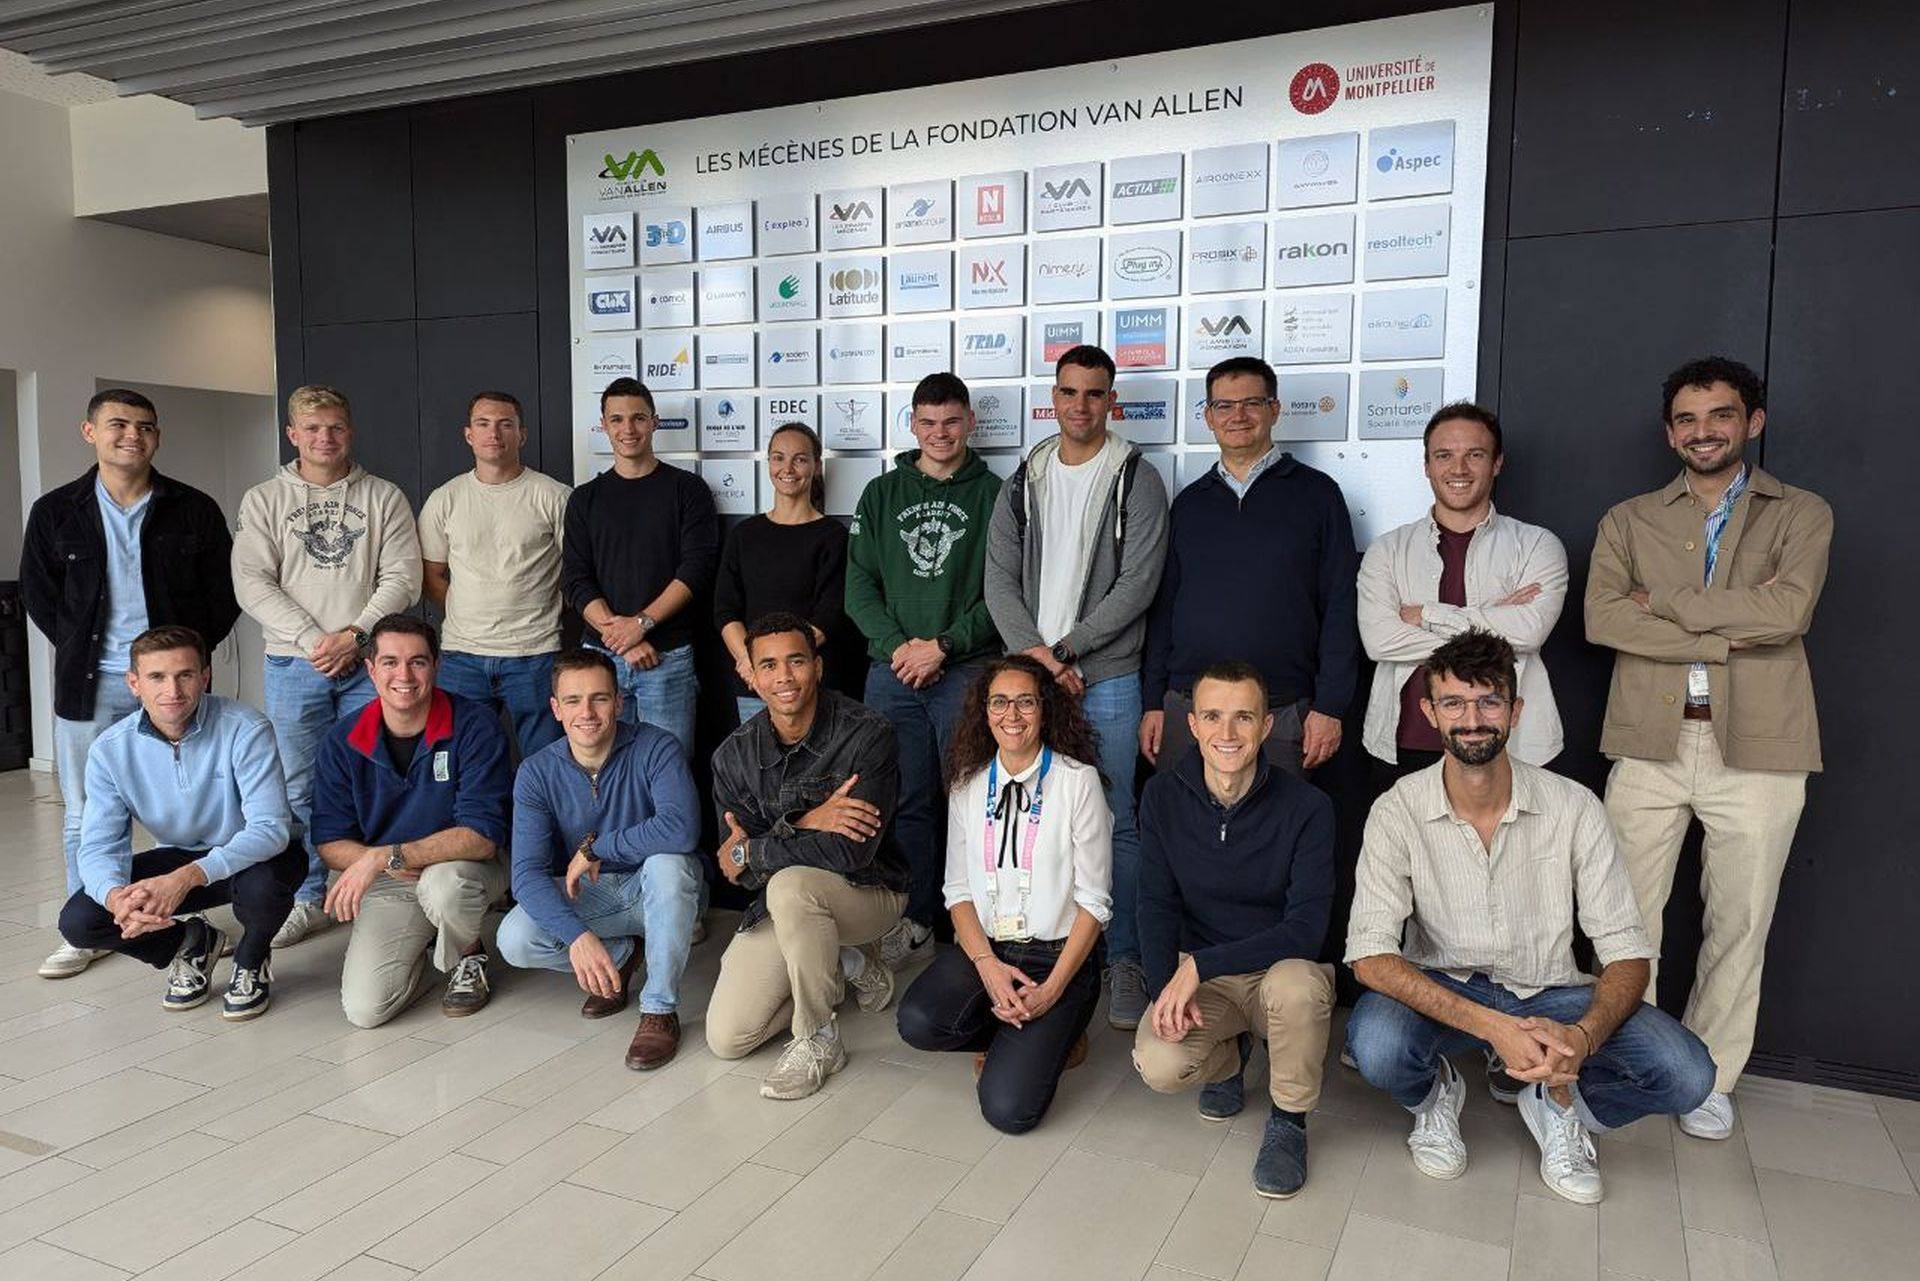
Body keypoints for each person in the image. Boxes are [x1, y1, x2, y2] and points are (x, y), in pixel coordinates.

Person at [1344, 629, 1715, 1205]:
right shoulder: (1397, 810)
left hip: (1549, 990)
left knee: (1689, 1076)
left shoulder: (1574, 806)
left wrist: (1582, 1039)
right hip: (1448, 983)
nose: (1472, 719)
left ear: (1515, 711)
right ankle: (1435, 1095)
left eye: (1489, 701)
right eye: (1454, 703)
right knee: (1376, 1046)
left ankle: (1560, 1102)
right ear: (1429, 713)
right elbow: (1369, 955)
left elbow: (1625, 950)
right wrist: (1494, 1029)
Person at [1585, 356, 1832, 1141]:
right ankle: (1634, 1057)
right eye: (1688, 419)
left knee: (1740, 918)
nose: (1703, 431)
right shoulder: (1628, 519)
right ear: (1670, 432)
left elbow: (1788, 611)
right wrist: (1732, 632)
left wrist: (1670, 605)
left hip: (1760, 743)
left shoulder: (1802, 512)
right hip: (1651, 737)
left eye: (1720, 415)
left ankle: (1712, 1076)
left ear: (1751, 422)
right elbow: (1603, 619)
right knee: (1626, 919)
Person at [22, 388, 240, 980]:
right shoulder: (54, 512)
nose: (132, 436)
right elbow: (41, 598)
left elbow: (223, 596)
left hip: (174, 683)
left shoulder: (192, 509)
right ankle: (92, 925)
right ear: (89, 432)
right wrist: (80, 648)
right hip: (91, 683)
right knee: (86, 813)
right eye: (117, 425)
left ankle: (198, 896)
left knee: (206, 798)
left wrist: (185, 662)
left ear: (157, 437)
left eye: (145, 427)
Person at [984, 343, 1169, 1031]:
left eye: (1095, 393)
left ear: (1110, 400)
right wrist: (1036, 659)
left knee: (1115, 823)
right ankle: (1035, 948)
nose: (1081, 405)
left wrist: (1065, 651)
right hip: (1034, 678)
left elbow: (1138, 585)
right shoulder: (1023, 479)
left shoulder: (1135, 478)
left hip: (1107, 678)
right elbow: (997, 579)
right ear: (1053, 398)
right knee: (1032, 820)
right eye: (1069, 392)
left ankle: (1123, 959)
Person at [1131, 660, 1337, 1200]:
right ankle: (1229, 1058)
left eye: (1243, 717)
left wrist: (1199, 965)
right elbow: (1154, 904)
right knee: (1160, 1061)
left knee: (1298, 986)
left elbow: (1307, 930)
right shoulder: (1162, 798)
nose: (1227, 734)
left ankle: (1289, 1121)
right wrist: (1163, 991)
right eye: (1213, 717)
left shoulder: (1308, 808)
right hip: (1209, 982)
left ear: (1267, 726)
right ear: (1193, 724)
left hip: (1276, 973)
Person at [233, 384, 421, 951]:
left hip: (372, 665)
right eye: (312, 429)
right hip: (296, 664)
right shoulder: (263, 499)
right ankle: (309, 895)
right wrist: (319, 639)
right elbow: (251, 582)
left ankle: (391, 891)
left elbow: (404, 577)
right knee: (300, 785)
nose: (325, 438)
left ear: (350, 431)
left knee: (384, 773)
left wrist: (356, 636)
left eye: (335, 427)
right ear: (293, 434)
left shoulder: (384, 497)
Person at [895, 656, 1113, 1134]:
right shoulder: (968, 786)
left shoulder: (1078, 782)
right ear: (983, 710)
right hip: (989, 951)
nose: (1011, 715)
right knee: (917, 1021)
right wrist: (988, 968)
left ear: (1045, 709)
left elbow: (1095, 902)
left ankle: (1058, 1032)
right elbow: (957, 891)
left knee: (1009, 1112)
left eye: (1025, 702)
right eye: (999, 702)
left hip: (1057, 961)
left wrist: (1052, 991)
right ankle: (1004, 1026)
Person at [705, 612, 908, 1100]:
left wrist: (759, 847)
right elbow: (734, 869)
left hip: (869, 892)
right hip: (785, 906)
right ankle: (851, 966)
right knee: (728, 1039)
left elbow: (851, 851)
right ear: (751, 675)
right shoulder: (732, 755)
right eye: (768, 666)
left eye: (795, 661)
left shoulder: (866, 733)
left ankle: (818, 1037)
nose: (783, 677)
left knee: (789, 883)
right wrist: (804, 822)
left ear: (817, 666)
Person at [56, 625, 302, 1018]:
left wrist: (186, 878)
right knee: (81, 920)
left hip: (256, 857)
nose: (172, 690)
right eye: (157, 677)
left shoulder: (246, 727)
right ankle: (189, 942)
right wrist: (114, 895)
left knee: (264, 887)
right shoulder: (110, 750)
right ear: (134, 683)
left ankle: (252, 960)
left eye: (185, 675)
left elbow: (270, 829)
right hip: (181, 856)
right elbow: (100, 845)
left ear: (204, 677)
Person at [846, 372, 1003, 968]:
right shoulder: (882, 493)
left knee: (974, 800)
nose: (940, 434)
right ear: (912, 425)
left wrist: (942, 644)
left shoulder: (995, 494)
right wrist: (899, 649)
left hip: (965, 669)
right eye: (929, 423)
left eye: (952, 422)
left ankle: (980, 926)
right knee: (904, 797)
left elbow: (1005, 593)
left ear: (969, 422)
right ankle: (913, 916)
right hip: (893, 672)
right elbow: (858, 585)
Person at [1140, 357, 1359, 784]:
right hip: (1189, 712)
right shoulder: (1189, 505)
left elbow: (1340, 606)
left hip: (1282, 711)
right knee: (1189, 841)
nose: (1237, 416)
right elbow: (1163, 611)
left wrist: (1330, 706)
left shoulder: (1318, 496)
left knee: (1279, 841)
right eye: (1224, 406)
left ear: (1275, 410)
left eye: (1252, 403)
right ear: (1207, 416)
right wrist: (1154, 702)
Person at [497, 649, 704, 1070]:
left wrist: (597, 848)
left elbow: (681, 829)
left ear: (619, 702)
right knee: (514, 938)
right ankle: (620, 954)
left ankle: (659, 1010)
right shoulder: (537, 771)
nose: (587, 712)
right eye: (573, 701)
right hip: (596, 896)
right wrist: (578, 937)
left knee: (668, 863)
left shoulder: (655, 746)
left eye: (600, 698)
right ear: (555, 709)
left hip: (662, 892)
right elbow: (525, 875)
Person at [310, 615, 511, 1028]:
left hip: (466, 870)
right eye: (389, 662)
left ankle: (467, 955)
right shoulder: (342, 739)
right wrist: (379, 862)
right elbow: (329, 841)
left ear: (436, 666)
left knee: (444, 888)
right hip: (392, 881)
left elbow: (483, 837)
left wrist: (388, 855)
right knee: (366, 1011)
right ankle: (429, 944)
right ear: (370, 669)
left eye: (418, 662)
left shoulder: (475, 726)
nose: (404, 675)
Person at [1358, 402, 1567, 780]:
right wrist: (1494, 619)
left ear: (1497, 463)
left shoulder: (1538, 545)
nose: (1458, 469)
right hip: (1409, 742)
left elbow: (1530, 631)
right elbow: (1378, 640)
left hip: (1513, 743)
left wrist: (1427, 616)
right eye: (1444, 456)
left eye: (1475, 455)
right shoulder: (1386, 550)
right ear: (1426, 466)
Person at [562, 376, 719, 758]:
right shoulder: (585, 499)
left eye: (637, 418)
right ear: (603, 425)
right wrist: (622, 636)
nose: (627, 429)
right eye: (616, 420)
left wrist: (642, 624)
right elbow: (576, 580)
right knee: (602, 768)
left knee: (668, 770)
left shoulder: (687, 490)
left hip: (667, 658)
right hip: (600, 660)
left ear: (654, 422)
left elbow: (695, 570)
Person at [420, 390, 572, 760]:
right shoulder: (445, 498)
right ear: (468, 434)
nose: (495, 433)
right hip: (462, 656)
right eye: (483, 424)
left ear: (521, 434)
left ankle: (540, 822)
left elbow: (578, 574)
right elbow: (432, 575)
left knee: (546, 762)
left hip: (535, 653)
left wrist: (544, 611)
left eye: (506, 424)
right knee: (459, 760)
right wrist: (465, 609)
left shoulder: (553, 496)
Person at [715, 421, 850, 723]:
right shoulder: (744, 534)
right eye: (778, 457)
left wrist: (781, 668)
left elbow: (830, 614)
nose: (787, 468)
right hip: (752, 684)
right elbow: (726, 609)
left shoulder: (832, 536)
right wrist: (752, 664)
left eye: (800, 459)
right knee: (758, 768)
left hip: (807, 684)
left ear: (816, 466)